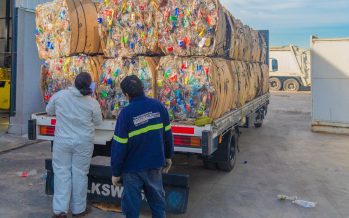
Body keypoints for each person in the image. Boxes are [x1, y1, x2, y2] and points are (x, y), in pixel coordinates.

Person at [111, 75, 174, 218]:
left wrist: (115, 172)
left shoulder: (125, 114)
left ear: (126, 95)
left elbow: (119, 146)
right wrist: (169, 156)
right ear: (142, 88)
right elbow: (168, 135)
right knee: (158, 204)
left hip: (132, 169)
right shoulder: (158, 106)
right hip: (154, 165)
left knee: (132, 208)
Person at [46, 72, 102, 218]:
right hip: (83, 143)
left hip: (62, 142)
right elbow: (98, 122)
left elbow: (49, 110)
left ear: (74, 82)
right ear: (90, 85)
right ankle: (78, 210)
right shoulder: (92, 102)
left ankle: (60, 211)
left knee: (61, 173)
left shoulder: (60, 96)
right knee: (80, 174)